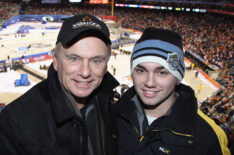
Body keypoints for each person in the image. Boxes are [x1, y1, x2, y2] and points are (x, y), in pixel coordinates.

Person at [0, 14, 119, 155]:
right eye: (74, 59)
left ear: (106, 66)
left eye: (96, 61)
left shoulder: (112, 106)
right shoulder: (15, 122)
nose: (85, 72)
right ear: (55, 60)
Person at [116, 27, 230, 155]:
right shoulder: (111, 115)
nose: (149, 82)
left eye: (162, 72)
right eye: (141, 70)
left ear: (177, 77)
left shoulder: (209, 136)